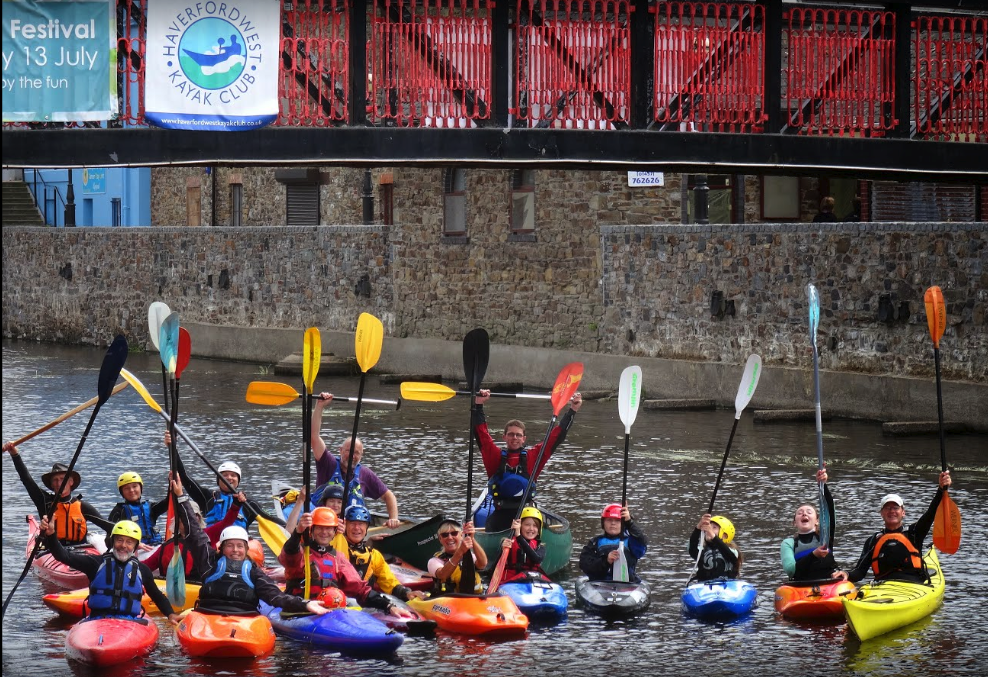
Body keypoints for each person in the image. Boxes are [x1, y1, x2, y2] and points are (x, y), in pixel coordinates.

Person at [472, 389, 583, 532]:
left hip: (526, 516)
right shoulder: (494, 456)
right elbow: (481, 434)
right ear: (504, 437)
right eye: (511, 434)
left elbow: (556, 437)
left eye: (518, 435)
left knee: (531, 527)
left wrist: (572, 410)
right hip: (500, 516)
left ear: (524, 439)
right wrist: (478, 404)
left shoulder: (534, 456)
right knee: (493, 524)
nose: (515, 438)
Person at [38, 515, 181, 625]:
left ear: (135, 546)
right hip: (98, 619)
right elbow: (64, 556)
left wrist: (171, 614)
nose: (123, 545)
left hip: (130, 621)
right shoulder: (96, 563)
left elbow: (157, 596)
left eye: (129, 542)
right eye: (119, 540)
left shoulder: (142, 570)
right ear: (113, 542)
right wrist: (51, 534)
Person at [278, 507, 413, 618]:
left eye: (329, 528)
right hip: (298, 612)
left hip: (329, 613)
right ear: (312, 530)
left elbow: (361, 590)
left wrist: (388, 606)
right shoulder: (301, 552)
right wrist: (298, 532)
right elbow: (288, 555)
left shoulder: (338, 558)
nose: (324, 532)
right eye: (320, 528)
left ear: (335, 531)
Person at [838, 471, 952, 583]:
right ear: (881, 513)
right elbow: (859, 572)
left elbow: (931, 513)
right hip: (883, 587)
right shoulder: (873, 540)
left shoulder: (914, 533)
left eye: (896, 508)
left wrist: (941, 489)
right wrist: (846, 574)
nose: (892, 511)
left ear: (903, 512)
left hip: (913, 585)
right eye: (887, 508)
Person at [196, 524, 330, 617]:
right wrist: (184, 499)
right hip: (208, 613)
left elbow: (275, 595)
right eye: (230, 546)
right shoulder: (210, 563)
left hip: (244, 617)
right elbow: (196, 534)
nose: (235, 550)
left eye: (240, 546)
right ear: (222, 548)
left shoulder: (253, 572)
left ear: (246, 549)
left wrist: (304, 604)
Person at [311, 393, 400, 528]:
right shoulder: (328, 463)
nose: (352, 456)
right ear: (340, 450)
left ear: (361, 455)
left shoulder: (365, 474)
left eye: (356, 453)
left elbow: (389, 496)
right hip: (325, 526)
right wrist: (319, 406)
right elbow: (314, 437)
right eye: (349, 451)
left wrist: (393, 518)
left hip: (353, 529)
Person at [168, 430, 286, 530]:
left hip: (236, 543)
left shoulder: (249, 503)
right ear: (218, 480)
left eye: (233, 475)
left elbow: (271, 519)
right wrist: (172, 447)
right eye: (224, 475)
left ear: (238, 481)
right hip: (212, 542)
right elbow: (185, 478)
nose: (229, 478)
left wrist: (293, 530)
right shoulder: (207, 497)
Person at [143, 473, 245, 583]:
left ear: (199, 519)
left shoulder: (208, 535)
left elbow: (226, 523)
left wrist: (236, 505)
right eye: (183, 516)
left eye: (195, 516)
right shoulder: (167, 546)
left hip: (199, 585)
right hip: (171, 588)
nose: (188, 519)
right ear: (177, 520)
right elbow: (146, 566)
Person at [4, 442, 112, 544]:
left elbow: (108, 526)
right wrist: (15, 454)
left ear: (71, 482)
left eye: (62, 479)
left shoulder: (82, 507)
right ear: (51, 484)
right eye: (55, 480)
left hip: (80, 552)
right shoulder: (44, 501)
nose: (59, 483)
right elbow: (26, 480)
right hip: (52, 551)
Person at [331, 505, 426, 602]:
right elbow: (328, 547)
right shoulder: (336, 544)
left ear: (367, 527)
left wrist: (406, 593)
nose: (356, 528)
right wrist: (334, 531)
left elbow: (389, 581)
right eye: (352, 523)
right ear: (345, 525)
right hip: (336, 600)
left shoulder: (374, 555)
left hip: (363, 603)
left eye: (361, 524)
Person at [781, 468, 843, 582]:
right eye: (800, 513)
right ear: (794, 522)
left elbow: (830, 511)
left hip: (829, 583)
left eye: (809, 512)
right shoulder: (789, 543)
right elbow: (791, 570)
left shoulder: (824, 537)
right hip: (801, 586)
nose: (804, 514)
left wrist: (823, 485)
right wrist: (814, 555)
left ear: (817, 521)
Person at [579, 504, 648, 583]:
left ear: (623, 523)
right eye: (609, 520)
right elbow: (585, 565)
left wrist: (630, 523)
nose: (613, 523)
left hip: (627, 584)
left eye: (617, 520)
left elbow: (642, 544)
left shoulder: (631, 541)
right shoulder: (595, 542)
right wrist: (606, 561)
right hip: (600, 584)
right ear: (603, 523)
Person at [428, 519, 488, 594]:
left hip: (474, 597)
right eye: (445, 535)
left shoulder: (469, 556)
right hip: (448, 599)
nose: (450, 537)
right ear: (440, 539)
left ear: (461, 535)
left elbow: (482, 564)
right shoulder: (434, 561)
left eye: (454, 533)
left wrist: (471, 538)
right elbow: (442, 575)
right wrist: (460, 551)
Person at [108, 471, 169, 546]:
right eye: (127, 488)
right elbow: (109, 538)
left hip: (156, 546)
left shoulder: (151, 508)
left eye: (134, 486)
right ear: (122, 492)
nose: (131, 490)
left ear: (140, 488)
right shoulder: (118, 511)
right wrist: (134, 544)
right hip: (132, 549)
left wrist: (171, 481)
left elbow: (169, 501)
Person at [499, 506, 551, 583]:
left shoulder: (540, 547)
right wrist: (502, 551)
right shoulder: (508, 542)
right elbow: (494, 568)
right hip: (511, 582)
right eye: (527, 525)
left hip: (533, 581)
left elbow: (536, 559)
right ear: (520, 526)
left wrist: (518, 536)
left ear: (539, 530)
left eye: (535, 526)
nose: (531, 529)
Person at [689, 513, 742, 582]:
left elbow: (728, 554)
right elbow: (691, 547)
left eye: (714, 527)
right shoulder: (701, 552)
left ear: (725, 535)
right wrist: (698, 527)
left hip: (727, 584)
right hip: (705, 585)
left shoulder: (733, 551)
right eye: (709, 527)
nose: (709, 529)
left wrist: (712, 535)